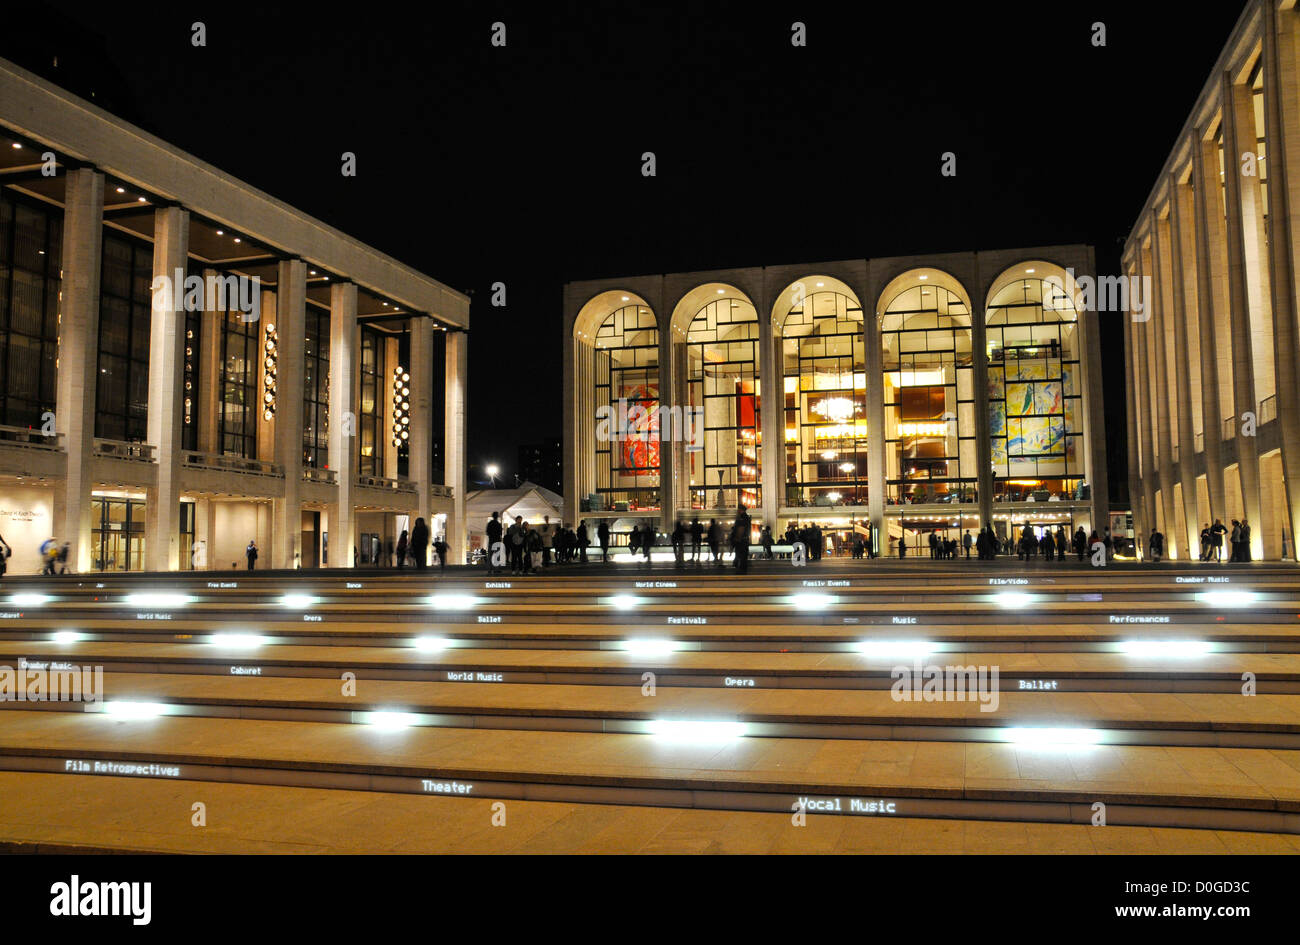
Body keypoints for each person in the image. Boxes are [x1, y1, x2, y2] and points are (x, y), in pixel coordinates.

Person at [732, 506, 751, 573]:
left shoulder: (742, 518)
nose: (737, 511)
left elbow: (741, 529)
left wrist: (737, 539)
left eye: (738, 509)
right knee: (743, 557)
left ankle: (741, 571)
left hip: (741, 541)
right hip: (744, 540)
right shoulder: (746, 518)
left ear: (741, 510)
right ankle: (742, 570)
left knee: (741, 556)